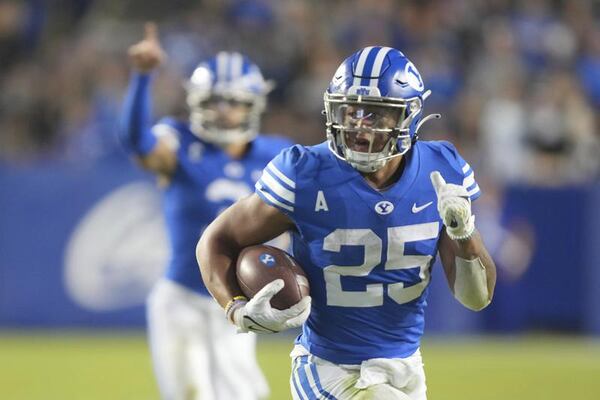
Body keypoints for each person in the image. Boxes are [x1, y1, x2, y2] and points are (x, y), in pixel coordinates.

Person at [197, 46, 497, 399]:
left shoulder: (441, 171)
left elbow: (476, 297)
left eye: (375, 114)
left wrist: (464, 233)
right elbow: (216, 241)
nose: (358, 125)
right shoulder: (305, 173)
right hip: (329, 370)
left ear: (408, 117)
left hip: (406, 369)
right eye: (351, 110)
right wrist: (234, 309)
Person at [119, 23, 292, 400]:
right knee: (190, 394)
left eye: (233, 101)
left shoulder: (278, 156)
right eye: (214, 100)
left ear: (253, 104)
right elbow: (136, 141)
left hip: (239, 300)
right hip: (181, 299)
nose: (224, 111)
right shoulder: (179, 142)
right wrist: (143, 77)